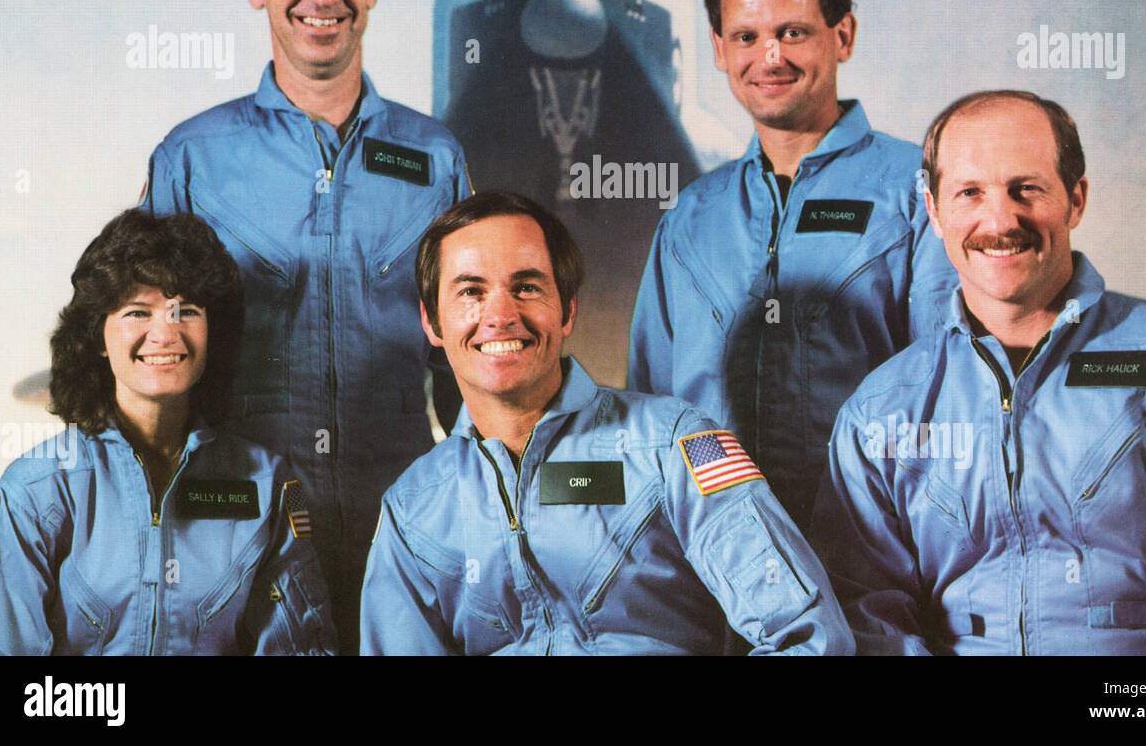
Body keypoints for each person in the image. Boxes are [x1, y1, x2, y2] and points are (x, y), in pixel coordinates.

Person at [812, 90, 1146, 655]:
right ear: (933, 211)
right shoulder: (881, 411)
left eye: (1025, 189)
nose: (1000, 220)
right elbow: (867, 614)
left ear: (1075, 199)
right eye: (969, 193)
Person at [144, 0, 469, 650]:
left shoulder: (436, 158)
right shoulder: (193, 158)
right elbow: (150, 362)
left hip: (404, 522)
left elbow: (465, 361)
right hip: (236, 527)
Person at [360, 192, 851, 655]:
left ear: (567, 310)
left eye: (527, 287)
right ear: (432, 323)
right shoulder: (413, 509)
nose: (501, 315)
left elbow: (810, 637)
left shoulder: (676, 445)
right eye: (471, 291)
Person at [629, 0, 957, 526]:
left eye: (794, 32)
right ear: (719, 50)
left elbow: (951, 394)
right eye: (746, 38)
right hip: (717, 557)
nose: (770, 57)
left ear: (844, 36)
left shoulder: (921, 193)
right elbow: (652, 410)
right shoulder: (690, 220)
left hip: (874, 549)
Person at [0, 210, 333, 655]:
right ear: (99, 339)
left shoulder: (269, 485)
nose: (165, 333)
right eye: (137, 312)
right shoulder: (37, 491)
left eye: (187, 311)